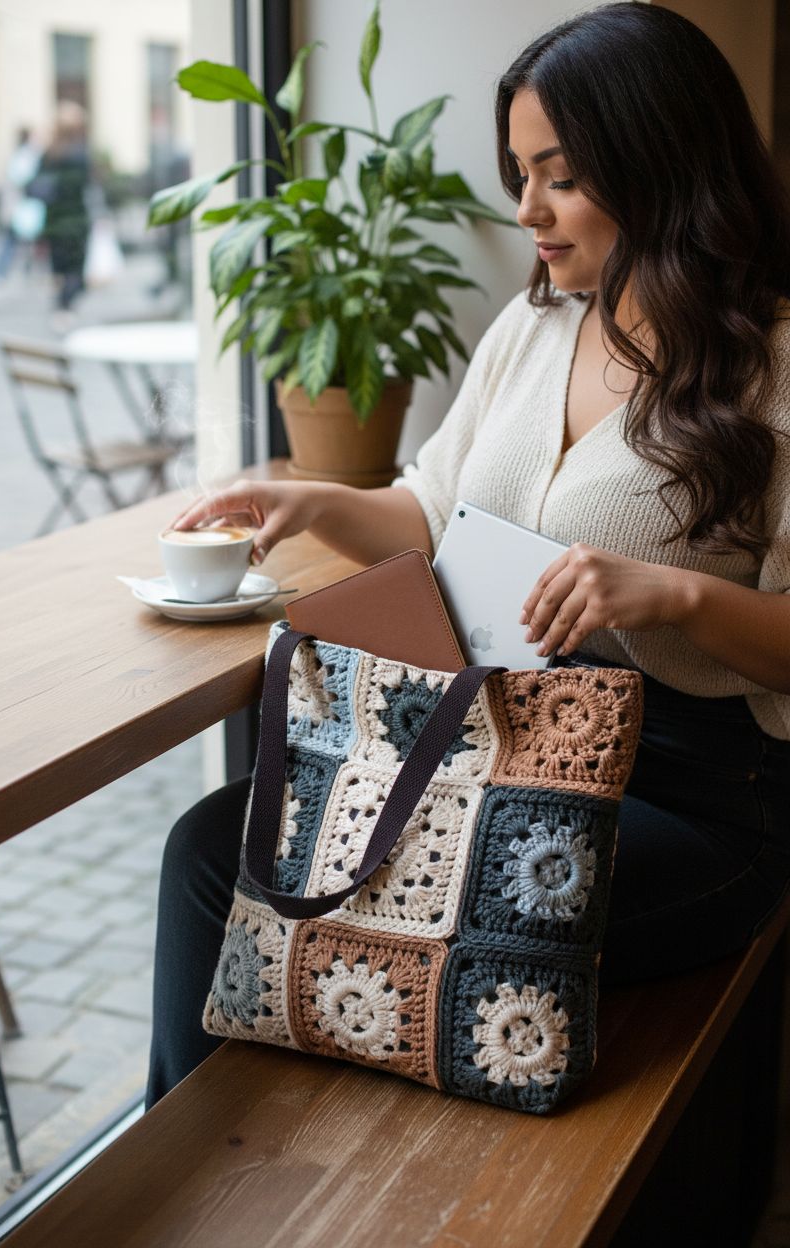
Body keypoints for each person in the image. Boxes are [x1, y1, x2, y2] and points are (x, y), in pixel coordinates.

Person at [145, 3, 790, 1109]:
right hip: (500, 744)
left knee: (413, 894)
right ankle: (197, 1166)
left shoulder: (772, 362)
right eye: (518, 171)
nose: (526, 209)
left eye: (560, 176)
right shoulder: (536, 325)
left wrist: (672, 593)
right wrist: (298, 500)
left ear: (659, 164)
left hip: (695, 790)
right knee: (216, 848)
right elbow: (431, 512)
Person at [30, 101, 91, 323]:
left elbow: (32, 185)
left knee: (60, 268)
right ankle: (66, 306)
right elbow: (87, 187)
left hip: (54, 222)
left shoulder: (48, 154)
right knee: (75, 268)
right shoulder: (80, 154)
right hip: (76, 222)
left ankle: (62, 307)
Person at [0, 127, 42, 281]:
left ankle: (16, 271)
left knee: (17, 240)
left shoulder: (19, 155)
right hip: (21, 205)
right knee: (15, 239)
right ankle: (3, 271)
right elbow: (22, 180)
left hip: (20, 205)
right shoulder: (25, 156)